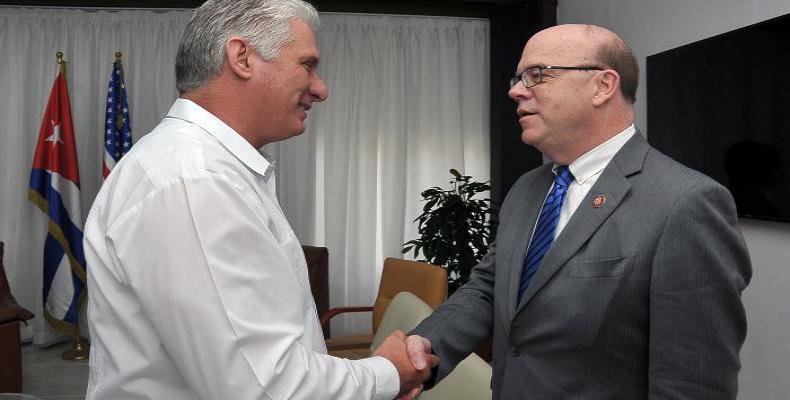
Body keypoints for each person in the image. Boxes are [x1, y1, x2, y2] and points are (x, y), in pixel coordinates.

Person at [83, 1, 434, 399]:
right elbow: (264, 387)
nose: (320, 88)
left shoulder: (202, 168)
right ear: (242, 57)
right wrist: (388, 373)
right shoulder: (196, 180)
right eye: (307, 64)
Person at [407, 24, 752, 399]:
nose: (515, 90)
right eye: (518, 77)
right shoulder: (527, 188)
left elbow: (691, 385)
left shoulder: (687, 203)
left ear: (603, 85)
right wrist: (425, 347)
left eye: (536, 75)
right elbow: (490, 289)